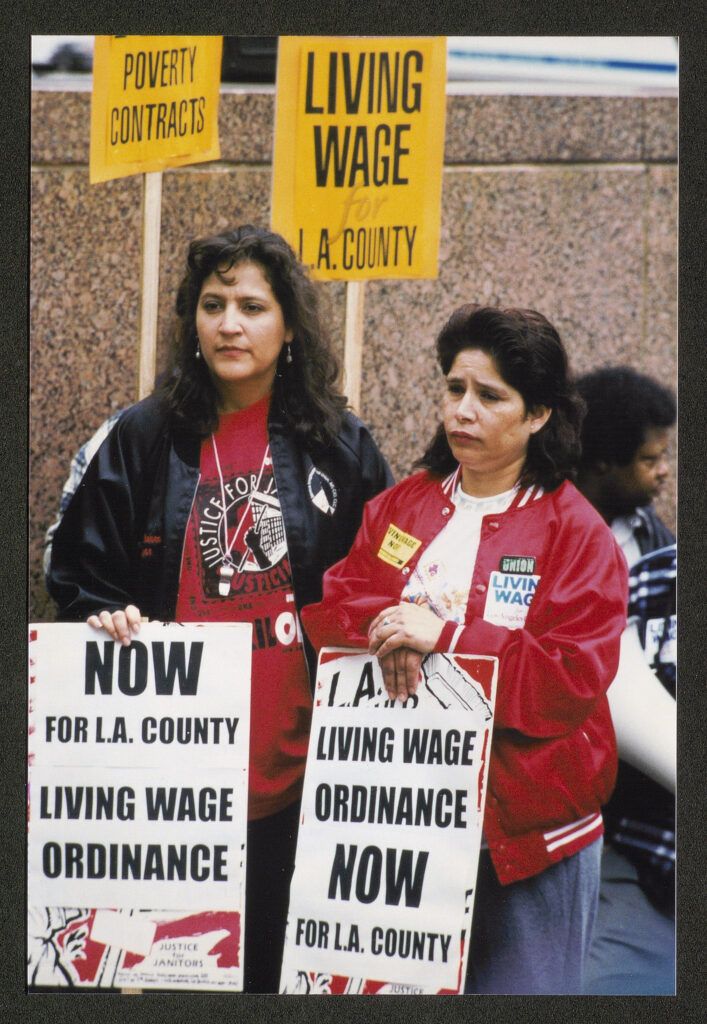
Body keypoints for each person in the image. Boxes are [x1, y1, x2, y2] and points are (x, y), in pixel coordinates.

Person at [46, 224, 393, 993]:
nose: (229, 323)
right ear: (190, 320)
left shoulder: (341, 444)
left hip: (304, 777)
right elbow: (78, 573)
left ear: (289, 324)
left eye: (251, 305)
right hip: (176, 780)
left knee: (278, 973)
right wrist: (103, 616)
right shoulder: (140, 436)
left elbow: (379, 582)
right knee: (181, 978)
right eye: (212, 304)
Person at [301, 305, 629, 994]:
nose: (463, 411)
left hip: (531, 838)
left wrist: (443, 638)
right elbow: (334, 605)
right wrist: (386, 628)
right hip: (402, 822)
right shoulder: (401, 506)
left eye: (489, 396)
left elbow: (568, 681)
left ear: (537, 415)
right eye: (454, 389)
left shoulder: (577, 533)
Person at [576, 365, 676, 994]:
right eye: (649, 458)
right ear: (604, 462)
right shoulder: (556, 529)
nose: (663, 471)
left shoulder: (655, 543)